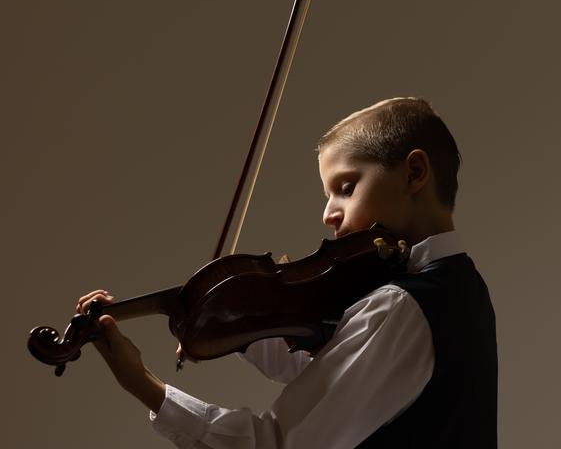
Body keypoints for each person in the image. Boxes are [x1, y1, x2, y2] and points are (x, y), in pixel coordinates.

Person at [77, 97, 498, 448]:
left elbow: (276, 442)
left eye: (346, 187)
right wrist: (239, 314)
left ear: (415, 173)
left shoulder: (400, 305)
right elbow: (334, 373)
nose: (329, 213)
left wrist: (145, 385)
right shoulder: (461, 286)